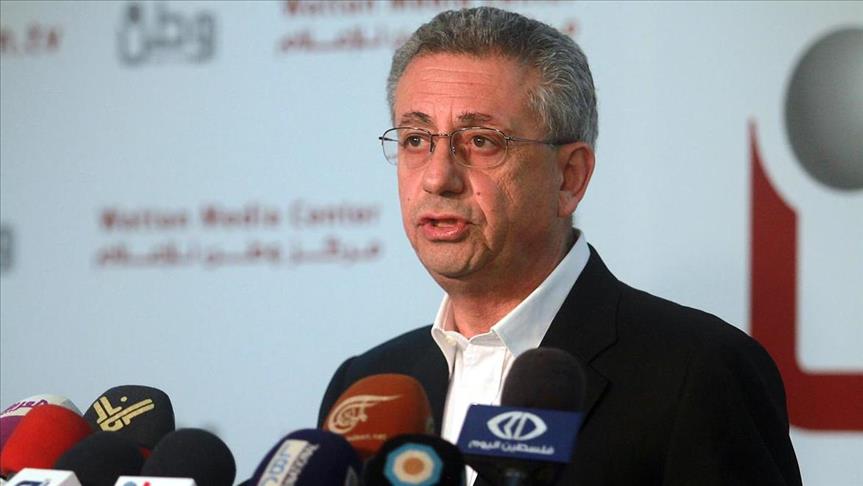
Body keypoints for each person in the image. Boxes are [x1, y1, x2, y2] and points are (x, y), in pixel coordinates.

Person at [319, 6, 802, 485]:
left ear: (570, 177)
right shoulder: (365, 386)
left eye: (481, 141)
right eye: (415, 139)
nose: (437, 177)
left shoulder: (698, 372)